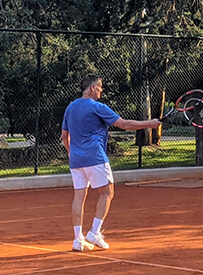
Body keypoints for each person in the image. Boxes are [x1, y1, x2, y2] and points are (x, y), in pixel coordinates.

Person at [61, 74, 161, 252]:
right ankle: (94, 233)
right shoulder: (98, 107)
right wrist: (150, 124)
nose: (101, 90)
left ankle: (78, 239)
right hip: (95, 158)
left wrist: (71, 152)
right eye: (99, 87)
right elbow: (125, 124)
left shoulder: (70, 107)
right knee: (107, 193)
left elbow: (64, 136)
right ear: (92, 88)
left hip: (76, 161)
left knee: (78, 196)